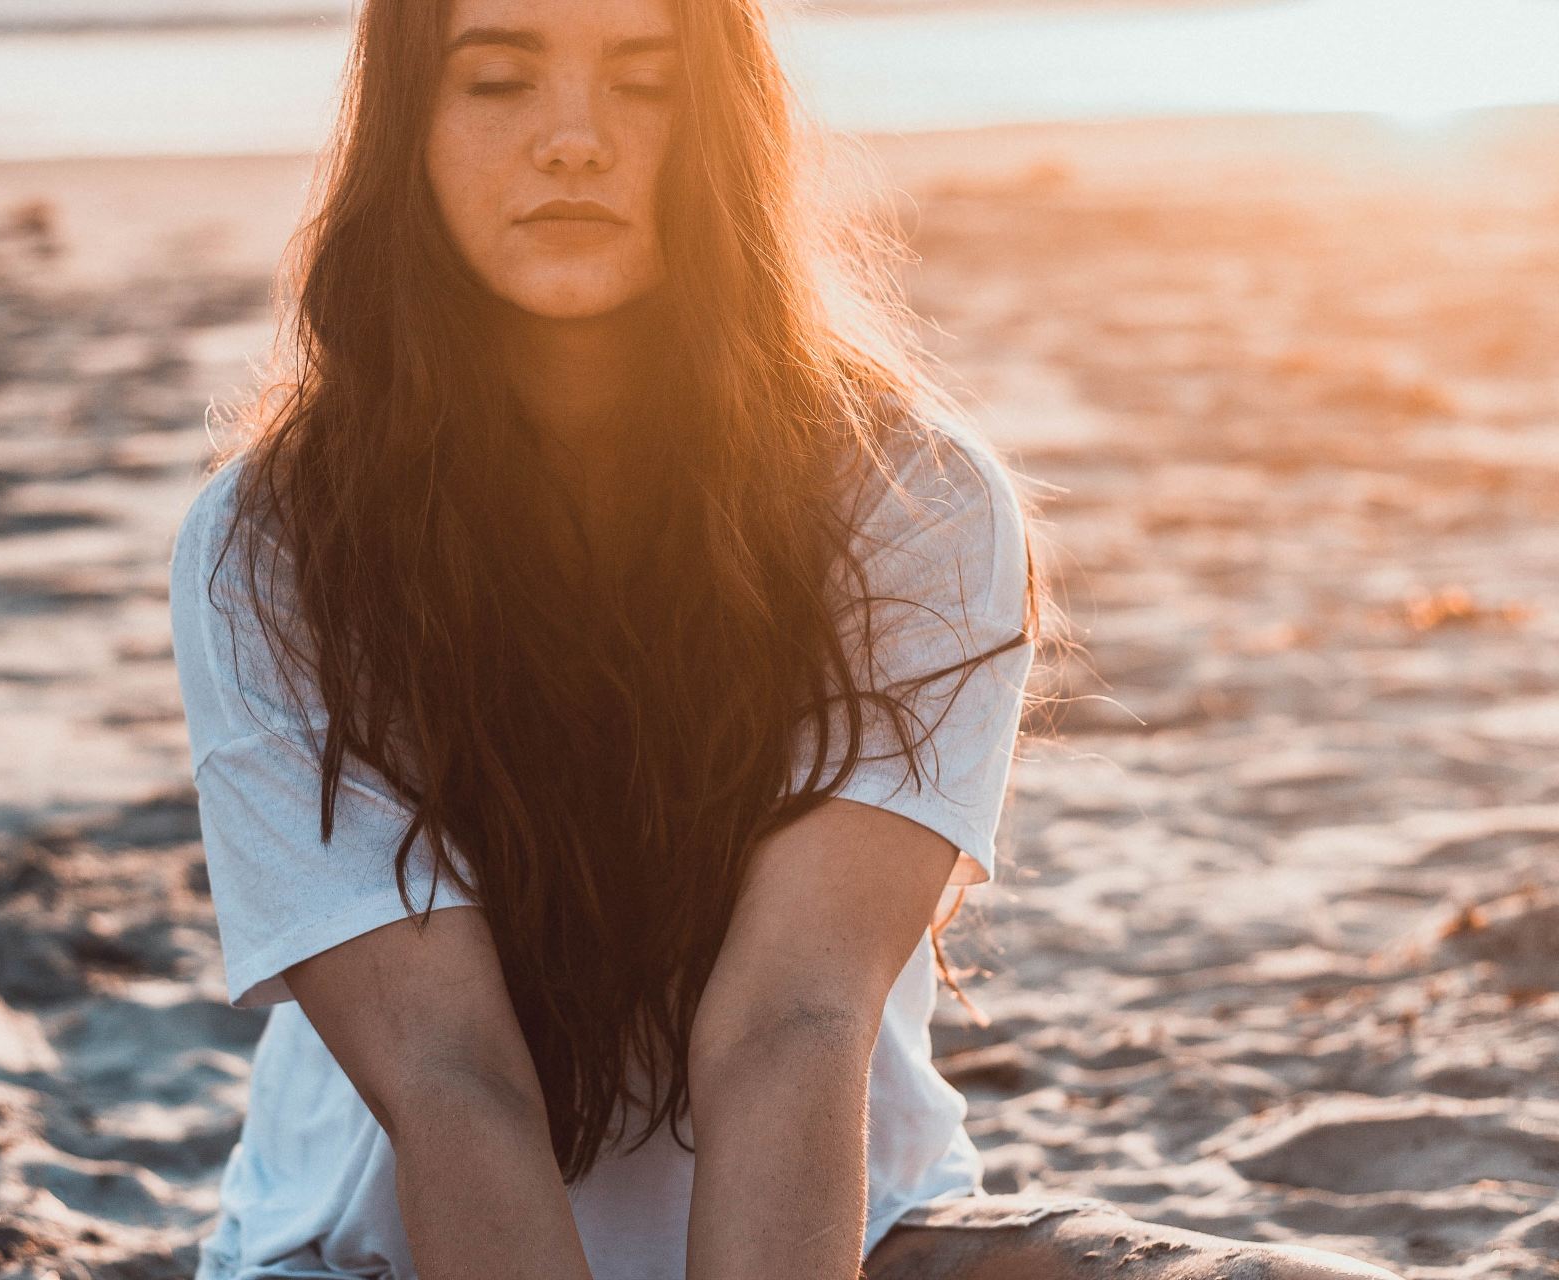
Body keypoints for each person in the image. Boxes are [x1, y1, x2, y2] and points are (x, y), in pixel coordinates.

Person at [166, 1, 1406, 1277]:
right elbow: (450, 1076)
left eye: (645, 82)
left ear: (728, 127)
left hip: (848, 1238)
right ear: (404, 130)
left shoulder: (911, 497)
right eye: (496, 82)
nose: (575, 139)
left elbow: (794, 1020)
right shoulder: (269, 545)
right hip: (375, 1254)